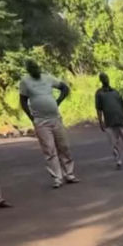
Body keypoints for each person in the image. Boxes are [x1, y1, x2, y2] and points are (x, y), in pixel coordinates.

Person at [19, 60, 78, 189]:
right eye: (32, 67)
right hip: (41, 121)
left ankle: (69, 174)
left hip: (55, 118)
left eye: (36, 66)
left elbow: (64, 88)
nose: (36, 69)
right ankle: (57, 178)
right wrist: (31, 117)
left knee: (64, 146)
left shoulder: (47, 78)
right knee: (49, 150)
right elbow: (23, 101)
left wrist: (58, 101)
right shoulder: (25, 82)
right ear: (28, 70)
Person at [95, 72, 123, 169]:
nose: (106, 80)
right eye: (104, 78)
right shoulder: (99, 93)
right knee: (114, 144)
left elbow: (122, 106)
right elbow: (98, 109)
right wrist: (101, 122)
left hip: (121, 120)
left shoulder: (115, 92)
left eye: (107, 78)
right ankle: (118, 161)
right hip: (110, 122)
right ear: (101, 80)